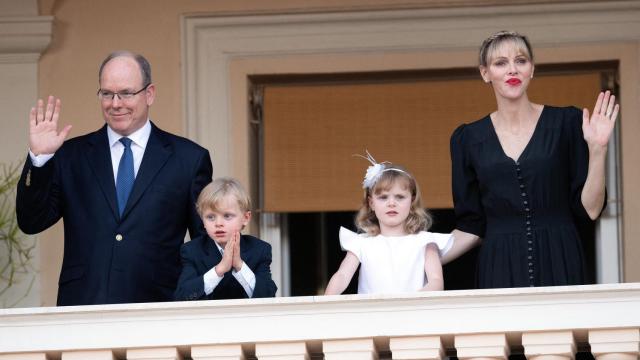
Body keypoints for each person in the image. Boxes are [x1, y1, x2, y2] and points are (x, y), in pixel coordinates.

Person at [15, 51, 213, 305]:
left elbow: (205, 243)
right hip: (84, 308)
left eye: (126, 93)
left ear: (149, 94)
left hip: (160, 310)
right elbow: (31, 221)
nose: (115, 103)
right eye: (107, 94)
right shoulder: (70, 156)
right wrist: (40, 159)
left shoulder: (188, 159)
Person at [446, 30, 618, 288]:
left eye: (521, 61)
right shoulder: (467, 139)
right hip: (499, 264)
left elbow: (591, 209)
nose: (512, 70)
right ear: (485, 73)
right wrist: (411, 254)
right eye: (500, 63)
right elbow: (471, 226)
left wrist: (598, 149)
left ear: (532, 69)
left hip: (561, 258)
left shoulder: (567, 124)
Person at [324, 154, 453, 295]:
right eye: (383, 197)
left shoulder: (425, 241)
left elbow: (436, 282)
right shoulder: (361, 242)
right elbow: (342, 276)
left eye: (400, 197)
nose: (392, 203)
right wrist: (325, 301)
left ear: (412, 201)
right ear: (371, 203)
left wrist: (408, 304)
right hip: (372, 315)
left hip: (413, 313)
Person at [174, 177, 277, 300]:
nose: (218, 223)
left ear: (246, 218)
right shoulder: (192, 251)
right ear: (202, 220)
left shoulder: (259, 250)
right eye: (210, 217)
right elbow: (182, 296)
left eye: (227, 216)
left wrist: (239, 265)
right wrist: (219, 269)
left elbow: (268, 295)